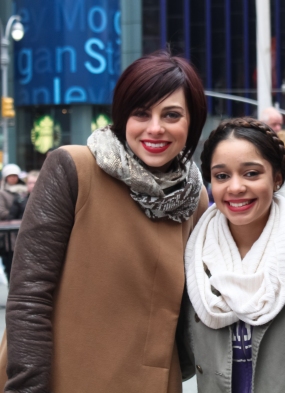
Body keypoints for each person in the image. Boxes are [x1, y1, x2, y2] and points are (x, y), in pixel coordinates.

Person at [0, 51, 210, 392]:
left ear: (192, 122)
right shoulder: (73, 167)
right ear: (123, 116)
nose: (155, 127)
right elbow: (29, 296)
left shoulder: (195, 198)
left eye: (171, 115)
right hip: (63, 380)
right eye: (141, 113)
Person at [181, 118, 285, 392]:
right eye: (222, 176)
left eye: (251, 173)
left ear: (277, 178)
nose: (235, 187)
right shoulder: (194, 259)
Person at [0, 164, 27, 281]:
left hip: (25, 233)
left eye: (15, 176)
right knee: (10, 265)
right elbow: (2, 212)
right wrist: (14, 213)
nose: (13, 178)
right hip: (9, 237)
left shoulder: (25, 191)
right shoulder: (2, 193)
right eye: (10, 176)